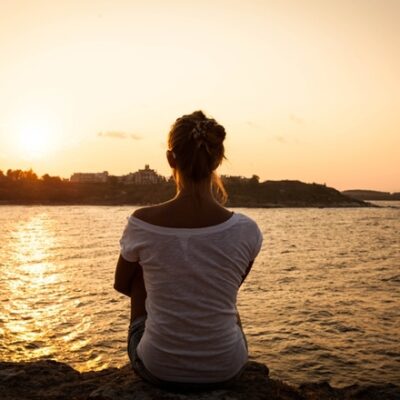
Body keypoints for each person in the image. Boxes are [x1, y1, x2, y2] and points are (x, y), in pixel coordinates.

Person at [114, 110, 263, 390]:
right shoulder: (247, 229)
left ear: (171, 159)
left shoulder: (142, 222)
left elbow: (122, 284)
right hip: (227, 367)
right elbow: (231, 287)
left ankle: (166, 349)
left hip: (158, 368)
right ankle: (212, 350)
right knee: (220, 290)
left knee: (138, 274)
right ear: (218, 160)